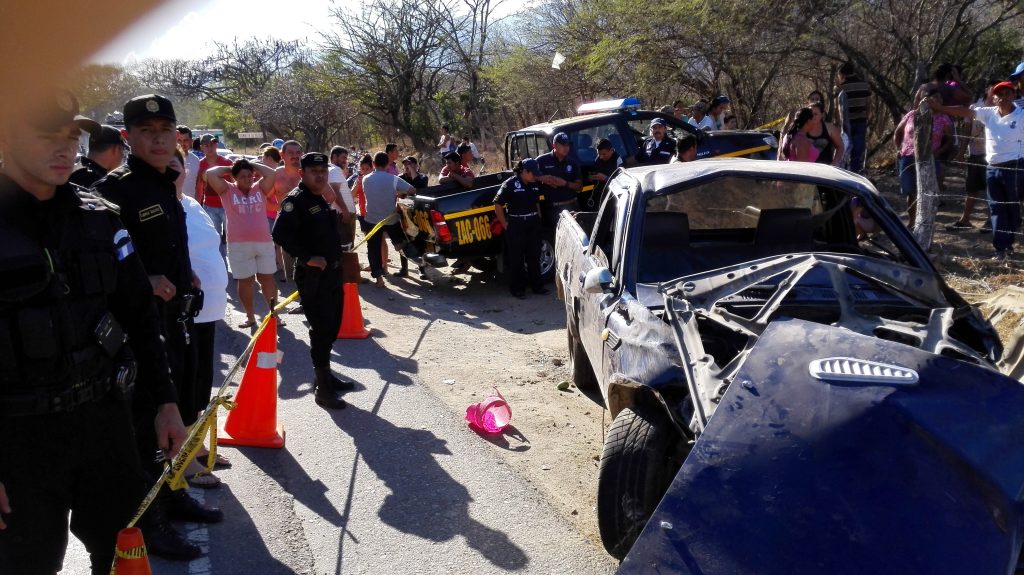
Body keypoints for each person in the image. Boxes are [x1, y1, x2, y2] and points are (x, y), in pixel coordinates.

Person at [0, 88, 188, 575]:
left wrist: (166, 403)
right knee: (28, 561)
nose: (64, 149)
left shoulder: (99, 217)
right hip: (19, 438)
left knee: (121, 548)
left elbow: (141, 318)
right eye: (47, 137)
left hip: (105, 425)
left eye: (69, 137)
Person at [93, 94, 223, 560]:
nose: (158, 139)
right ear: (128, 138)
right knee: (147, 422)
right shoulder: (114, 190)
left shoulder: (167, 179)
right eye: (147, 132)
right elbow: (100, 260)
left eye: (166, 130)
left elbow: (172, 239)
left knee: (180, 406)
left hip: (175, 318)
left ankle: (171, 493)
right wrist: (144, 280)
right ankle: (153, 521)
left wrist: (183, 268)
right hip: (138, 328)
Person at [271, 152, 355, 409]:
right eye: (314, 172)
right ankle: (323, 390)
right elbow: (279, 233)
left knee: (332, 327)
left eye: (323, 172)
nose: (319, 176)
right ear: (302, 174)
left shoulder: (320, 196)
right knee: (321, 330)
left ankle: (326, 376)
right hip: (313, 277)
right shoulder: (296, 201)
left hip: (332, 273)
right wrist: (306, 257)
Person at [170, 150, 228, 488]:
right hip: (183, 312)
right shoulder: (159, 209)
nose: (175, 173)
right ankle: (182, 458)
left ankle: (199, 445)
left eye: (179, 167)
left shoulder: (191, 204)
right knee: (184, 382)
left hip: (209, 310)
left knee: (202, 380)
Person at [931, 81, 1024, 260]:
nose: (1003, 97)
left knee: (1012, 208)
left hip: (1015, 168)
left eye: (1007, 93)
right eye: (1000, 94)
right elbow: (964, 111)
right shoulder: (988, 113)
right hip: (992, 169)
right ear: (994, 97)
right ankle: (1001, 249)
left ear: (1013, 96)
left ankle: (1010, 241)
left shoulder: (1021, 115)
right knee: (996, 208)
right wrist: (939, 107)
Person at [205, 159, 282, 328]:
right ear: (235, 178)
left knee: (267, 279)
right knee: (245, 281)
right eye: (243, 176)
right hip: (238, 245)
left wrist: (252, 166)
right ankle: (250, 317)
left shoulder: (259, 188)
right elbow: (211, 174)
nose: (249, 179)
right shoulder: (227, 190)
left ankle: (273, 314)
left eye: (251, 176)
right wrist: (231, 168)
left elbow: (271, 173)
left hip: (263, 242)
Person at [361, 152, 423, 286]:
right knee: (401, 243)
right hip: (391, 218)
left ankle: (379, 280)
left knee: (373, 249)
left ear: (373, 164)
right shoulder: (393, 179)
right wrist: (400, 193)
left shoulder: (365, 179)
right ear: (388, 164)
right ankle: (418, 261)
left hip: (372, 220)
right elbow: (412, 190)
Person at [895, 86, 953, 224]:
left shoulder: (944, 118)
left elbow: (950, 140)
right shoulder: (912, 115)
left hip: (930, 158)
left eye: (940, 97)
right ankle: (912, 221)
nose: (938, 100)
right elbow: (898, 132)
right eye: (935, 97)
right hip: (908, 156)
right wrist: (898, 149)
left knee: (928, 192)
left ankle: (926, 222)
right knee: (910, 191)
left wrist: (938, 153)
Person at [493, 158, 549, 299]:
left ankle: (537, 286)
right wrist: (505, 224)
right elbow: (498, 205)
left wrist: (539, 219)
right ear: (524, 171)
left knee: (534, 256)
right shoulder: (510, 184)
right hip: (516, 224)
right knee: (516, 258)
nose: (535, 176)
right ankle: (518, 289)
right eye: (532, 173)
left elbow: (536, 203)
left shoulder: (534, 184)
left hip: (533, 223)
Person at [948, 87, 993, 230]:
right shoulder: (975, 107)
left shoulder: (1002, 109)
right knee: (971, 188)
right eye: (994, 89)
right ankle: (965, 219)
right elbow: (967, 130)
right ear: (987, 90)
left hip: (993, 157)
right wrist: (961, 152)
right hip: (975, 154)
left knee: (991, 190)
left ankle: (991, 220)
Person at [537, 132, 582, 226]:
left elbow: (579, 187)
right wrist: (542, 178)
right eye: (563, 145)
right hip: (554, 209)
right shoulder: (541, 161)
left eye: (568, 145)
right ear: (554, 145)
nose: (566, 148)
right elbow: (526, 175)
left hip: (572, 207)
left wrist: (565, 183)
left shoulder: (573, 163)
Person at [835, 62, 872, 173]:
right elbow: (868, 104)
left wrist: (837, 123)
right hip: (861, 120)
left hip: (846, 123)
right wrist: (868, 118)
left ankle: (845, 172)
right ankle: (855, 172)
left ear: (842, 74)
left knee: (845, 148)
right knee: (857, 150)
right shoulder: (864, 85)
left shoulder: (840, 88)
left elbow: (838, 108)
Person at [195, 134, 232, 236]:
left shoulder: (227, 163)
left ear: (216, 145)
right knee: (214, 237)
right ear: (201, 147)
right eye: (206, 145)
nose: (210, 148)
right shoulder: (200, 164)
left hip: (227, 205)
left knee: (232, 236)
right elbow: (199, 188)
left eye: (212, 144)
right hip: (209, 206)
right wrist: (197, 207)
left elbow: (235, 185)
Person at [329, 145, 357, 246]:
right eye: (343, 157)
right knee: (346, 247)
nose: (345, 160)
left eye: (346, 158)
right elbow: (335, 192)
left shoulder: (333, 170)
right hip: (342, 215)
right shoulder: (334, 170)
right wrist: (345, 211)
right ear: (334, 157)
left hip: (341, 214)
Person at [807, 102, 846, 166]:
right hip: (806, 168)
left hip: (825, 169)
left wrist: (834, 164)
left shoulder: (830, 128)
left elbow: (840, 147)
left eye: (815, 114)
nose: (812, 116)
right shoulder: (802, 129)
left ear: (822, 114)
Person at [589, 138, 622, 206]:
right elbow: (592, 174)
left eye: (604, 154)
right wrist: (591, 177)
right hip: (599, 194)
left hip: (612, 196)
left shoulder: (618, 161)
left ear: (611, 150)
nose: (601, 157)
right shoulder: (598, 159)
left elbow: (621, 183)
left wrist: (606, 178)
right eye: (599, 154)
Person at [176, 125, 200, 198]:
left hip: (190, 205)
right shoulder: (167, 160)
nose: (182, 143)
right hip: (173, 204)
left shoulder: (196, 160)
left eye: (186, 140)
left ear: (191, 141)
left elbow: (197, 185)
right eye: (179, 140)